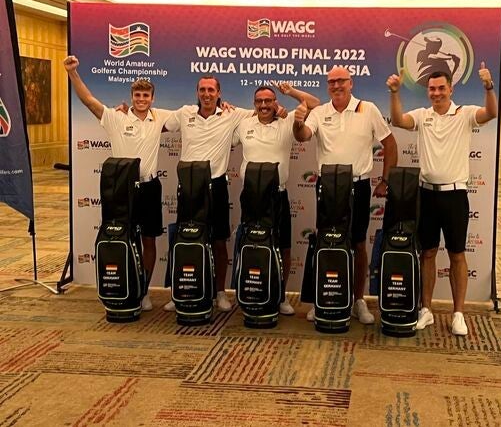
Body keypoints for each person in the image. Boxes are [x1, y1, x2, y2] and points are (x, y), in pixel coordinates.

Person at [386, 62, 498, 336]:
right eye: (432, 89)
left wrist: (488, 87)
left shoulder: (464, 113)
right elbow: (398, 121)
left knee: (457, 255)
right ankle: (426, 309)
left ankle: (458, 314)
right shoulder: (422, 115)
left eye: (441, 88)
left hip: (455, 195)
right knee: (428, 253)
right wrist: (395, 93)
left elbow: (491, 113)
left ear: (451, 89)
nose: (436, 93)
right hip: (426, 194)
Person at [163, 76, 286, 313]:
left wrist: (281, 110)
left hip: (216, 184)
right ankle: (178, 291)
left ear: (219, 93)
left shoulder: (232, 114)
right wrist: (128, 111)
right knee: (183, 239)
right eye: (202, 89)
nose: (206, 94)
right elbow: (156, 123)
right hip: (189, 185)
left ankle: (220, 292)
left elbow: (263, 111)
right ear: (197, 92)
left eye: (211, 90)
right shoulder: (185, 113)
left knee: (219, 241)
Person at [64, 55, 173, 311]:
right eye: (137, 95)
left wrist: (222, 106)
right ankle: (126, 287)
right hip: (122, 190)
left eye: (146, 95)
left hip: (149, 187)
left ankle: (143, 291)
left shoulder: (160, 118)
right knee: (123, 238)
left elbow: (195, 116)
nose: (141, 99)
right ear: (131, 97)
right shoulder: (116, 117)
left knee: (148, 240)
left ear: (152, 98)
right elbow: (89, 101)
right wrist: (72, 73)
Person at [293, 66, 398, 324]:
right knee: (326, 240)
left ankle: (358, 300)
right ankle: (322, 297)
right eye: (331, 82)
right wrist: (298, 122)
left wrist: (385, 180)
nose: (336, 86)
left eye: (341, 81)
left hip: (358, 185)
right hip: (328, 186)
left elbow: (390, 143)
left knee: (358, 243)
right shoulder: (319, 112)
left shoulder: (367, 109)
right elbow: (303, 136)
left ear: (351, 83)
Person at [232, 83, 320, 315]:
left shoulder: (287, 121)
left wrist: (291, 93)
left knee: (283, 246)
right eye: (259, 101)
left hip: (277, 195)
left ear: (275, 103)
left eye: (268, 101)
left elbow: (315, 105)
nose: (264, 105)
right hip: (250, 196)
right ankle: (250, 291)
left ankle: (280, 295)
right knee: (249, 242)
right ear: (254, 104)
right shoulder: (244, 124)